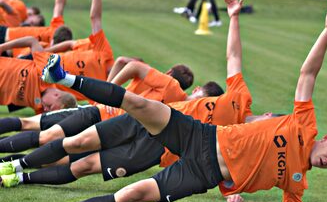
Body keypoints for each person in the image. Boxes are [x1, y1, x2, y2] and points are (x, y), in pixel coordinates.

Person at [35, 0, 327, 202]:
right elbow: (306, 73)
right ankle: (65, 79)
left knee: (134, 194)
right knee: (139, 104)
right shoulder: (302, 122)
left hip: (201, 172)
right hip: (200, 135)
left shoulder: (297, 181)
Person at [0, 0, 263, 202]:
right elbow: (131, 64)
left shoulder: (232, 132)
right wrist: (234, 18)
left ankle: (16, 174)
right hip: (110, 115)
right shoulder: (198, 95)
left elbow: (221, 164)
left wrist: (230, 190)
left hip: (149, 147)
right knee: (56, 139)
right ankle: (14, 164)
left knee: (75, 162)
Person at [0, 58, 201, 153]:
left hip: (99, 114)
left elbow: (127, 62)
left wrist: (109, 90)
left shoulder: (167, 83)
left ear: (169, 72)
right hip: (110, 129)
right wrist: (109, 92)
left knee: (39, 132)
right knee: (55, 145)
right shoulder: (180, 105)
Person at [0, 0, 115, 105]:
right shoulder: (104, 51)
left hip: (44, 93)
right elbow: (94, 18)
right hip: (36, 67)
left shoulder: (101, 91)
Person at [0, 0, 78, 58]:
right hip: (5, 37)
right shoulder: (56, 31)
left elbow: (59, 4)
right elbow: (59, 4)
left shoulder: (47, 53)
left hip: (8, 48)